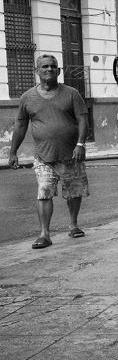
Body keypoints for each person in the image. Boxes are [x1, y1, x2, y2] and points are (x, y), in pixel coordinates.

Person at [8, 54, 90, 249]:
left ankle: (74, 225)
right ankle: (44, 234)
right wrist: (13, 152)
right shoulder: (27, 97)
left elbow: (83, 120)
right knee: (44, 192)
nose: (49, 69)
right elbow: (20, 125)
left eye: (53, 66)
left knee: (74, 192)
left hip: (71, 155)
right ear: (37, 71)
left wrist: (81, 144)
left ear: (59, 71)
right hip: (44, 156)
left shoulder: (71, 93)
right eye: (44, 66)